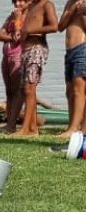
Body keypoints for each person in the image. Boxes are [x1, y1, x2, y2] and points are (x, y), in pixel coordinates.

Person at [17, 0, 59, 135]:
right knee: (27, 90)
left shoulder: (46, 4)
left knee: (30, 88)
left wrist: (30, 30)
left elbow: (54, 26)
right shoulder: (30, 6)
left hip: (37, 48)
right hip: (26, 50)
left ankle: (24, 129)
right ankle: (33, 127)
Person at [0, 0, 29, 132]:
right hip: (7, 56)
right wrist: (11, 36)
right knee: (9, 91)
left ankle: (12, 124)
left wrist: (17, 21)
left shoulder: (28, 16)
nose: (18, 3)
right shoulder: (11, 16)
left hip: (19, 56)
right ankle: (9, 121)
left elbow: (19, 36)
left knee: (18, 91)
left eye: (22, 1)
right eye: (16, 1)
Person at [58, 0, 86, 137]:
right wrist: (72, 10)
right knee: (70, 91)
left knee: (79, 90)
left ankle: (75, 129)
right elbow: (60, 26)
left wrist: (83, 13)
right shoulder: (70, 3)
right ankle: (71, 126)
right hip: (69, 51)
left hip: (83, 49)